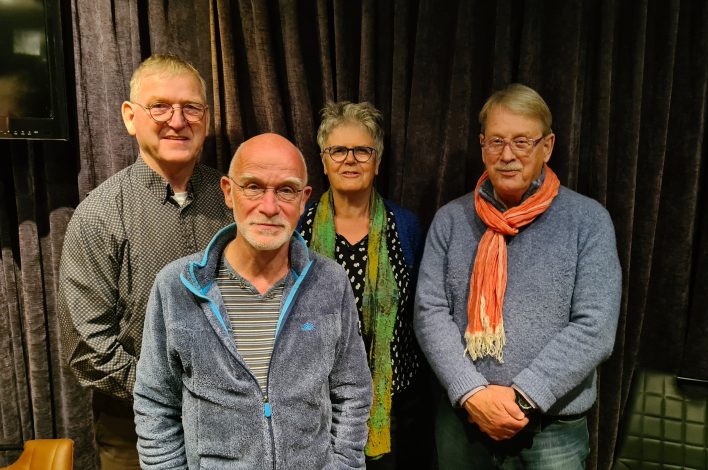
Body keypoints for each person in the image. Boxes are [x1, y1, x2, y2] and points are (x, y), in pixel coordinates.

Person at [133, 133, 373, 469]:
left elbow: (353, 390)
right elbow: (155, 403)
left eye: (286, 190)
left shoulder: (330, 282)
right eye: (253, 187)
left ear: (303, 200)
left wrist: (344, 465)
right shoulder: (176, 286)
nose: (269, 207)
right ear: (228, 192)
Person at [414, 83, 622, 469]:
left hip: (552, 431)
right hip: (464, 421)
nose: (507, 155)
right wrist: (473, 392)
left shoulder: (588, 221)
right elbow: (429, 313)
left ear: (548, 146)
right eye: (496, 141)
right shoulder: (450, 220)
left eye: (522, 142)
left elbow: (595, 327)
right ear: (482, 146)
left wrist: (523, 397)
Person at [57, 54, 233, 469]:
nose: (178, 120)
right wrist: (170, 392)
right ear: (130, 117)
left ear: (207, 119)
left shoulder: (234, 200)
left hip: (231, 421)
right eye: (160, 107)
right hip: (133, 431)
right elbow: (87, 347)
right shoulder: (99, 215)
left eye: (191, 108)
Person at [297, 101, 432, 468]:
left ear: (377, 161)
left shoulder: (405, 227)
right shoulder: (298, 228)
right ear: (324, 161)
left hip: (395, 404)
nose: (350, 160)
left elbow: (422, 312)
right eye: (338, 150)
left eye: (362, 150)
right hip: (316, 404)